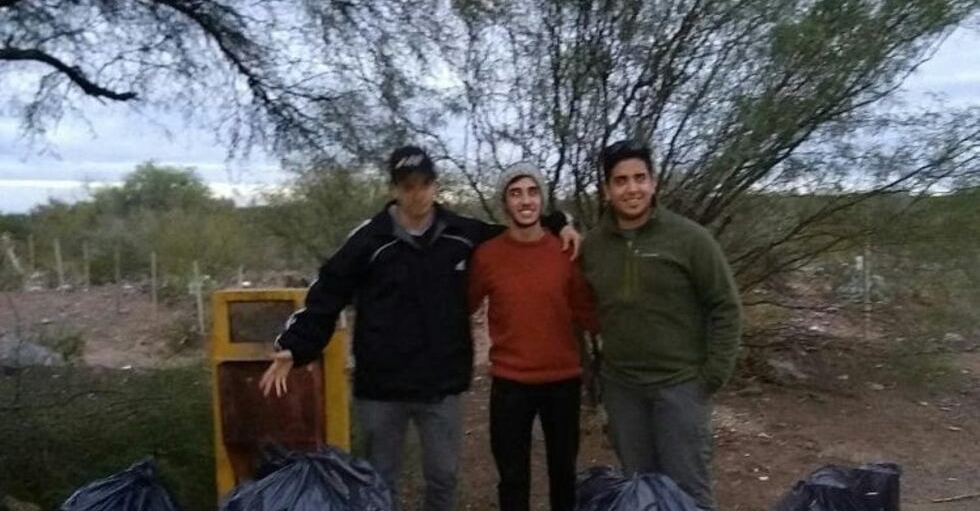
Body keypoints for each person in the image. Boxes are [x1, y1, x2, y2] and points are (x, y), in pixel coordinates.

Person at [259, 146, 580, 511]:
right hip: (382, 389)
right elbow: (328, 291)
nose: (417, 193)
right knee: (381, 484)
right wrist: (296, 345)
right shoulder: (370, 239)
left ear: (436, 186)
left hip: (441, 387)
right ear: (395, 189)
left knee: (443, 481)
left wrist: (559, 223)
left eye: (424, 184)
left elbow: (520, 229)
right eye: (408, 185)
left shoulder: (462, 234)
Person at [579, 140, 742, 511]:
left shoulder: (690, 239)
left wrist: (712, 375)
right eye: (620, 181)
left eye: (640, 178)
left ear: (654, 183)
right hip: (623, 389)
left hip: (680, 386)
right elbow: (576, 302)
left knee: (687, 491)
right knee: (639, 489)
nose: (631, 188)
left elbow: (726, 306)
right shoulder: (593, 246)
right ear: (607, 190)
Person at [467, 163, 598, 511]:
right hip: (510, 383)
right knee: (512, 478)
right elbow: (461, 305)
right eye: (515, 193)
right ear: (505, 204)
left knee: (563, 474)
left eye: (532, 191)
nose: (525, 201)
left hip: (563, 381)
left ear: (541, 199)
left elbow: (588, 312)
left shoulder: (565, 250)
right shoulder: (488, 255)